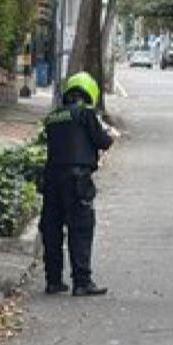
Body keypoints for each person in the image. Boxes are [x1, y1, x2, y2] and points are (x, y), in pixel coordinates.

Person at [40, 71, 114, 297]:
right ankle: (81, 281)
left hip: (51, 177)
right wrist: (107, 133)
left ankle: (53, 280)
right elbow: (103, 141)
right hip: (77, 179)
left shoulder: (53, 117)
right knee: (80, 228)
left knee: (52, 229)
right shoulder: (85, 114)